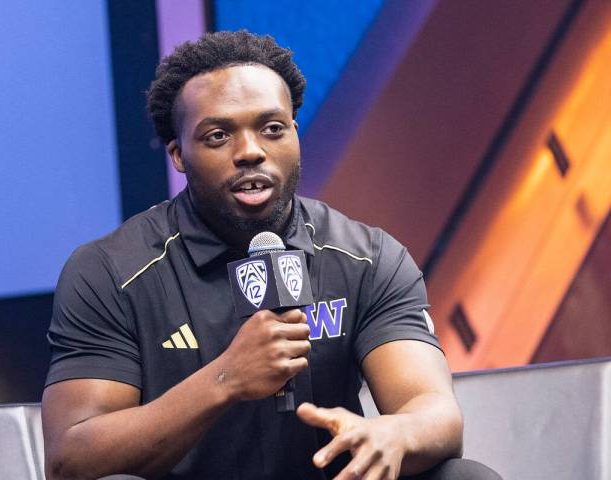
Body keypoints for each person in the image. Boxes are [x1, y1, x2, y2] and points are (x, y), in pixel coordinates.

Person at [42, 30, 501, 480]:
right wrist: (225, 380)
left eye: (272, 129)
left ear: (295, 135)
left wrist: (395, 433)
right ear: (179, 155)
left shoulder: (366, 258)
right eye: (219, 135)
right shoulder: (110, 271)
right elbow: (72, 458)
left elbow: (436, 413)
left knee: (465, 477)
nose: (251, 151)